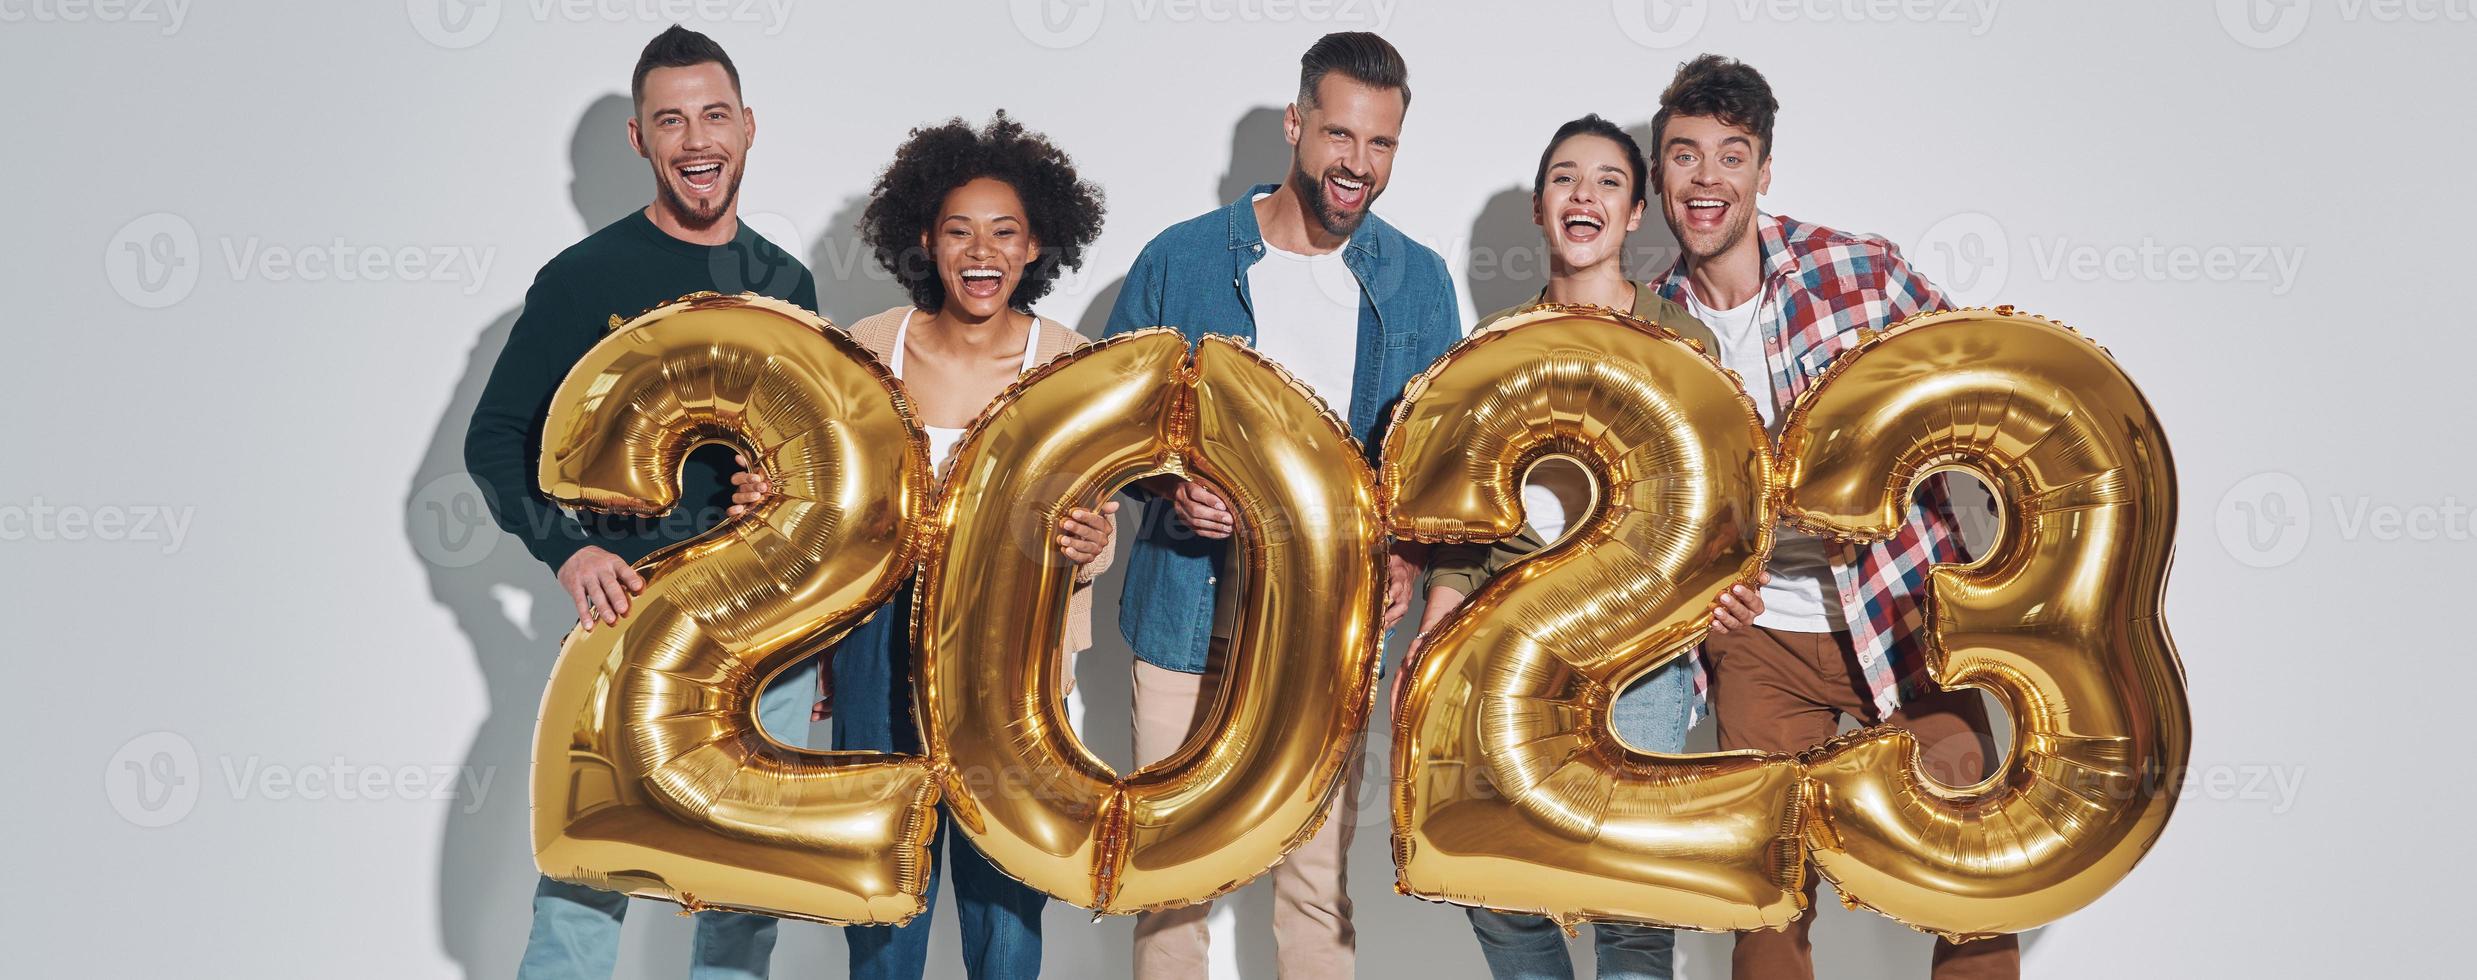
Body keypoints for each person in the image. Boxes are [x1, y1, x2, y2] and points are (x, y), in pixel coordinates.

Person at [1643, 55, 2017, 980]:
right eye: (1684, 156)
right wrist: (1696, 597)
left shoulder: (1861, 271)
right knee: (1764, 890)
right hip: (1758, 637)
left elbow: (1979, 406)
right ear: (1659, 173)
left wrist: (1879, 485)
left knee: (1971, 864)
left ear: (1762, 171)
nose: (1705, 180)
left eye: (1730, 157)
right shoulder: (1648, 326)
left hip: (1904, 612)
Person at [1100, 31, 1462, 980]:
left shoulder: (1417, 280)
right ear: (1297, 126)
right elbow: (1098, 424)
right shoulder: (1181, 260)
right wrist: (1173, 488)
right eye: (1341, 137)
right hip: (1188, 614)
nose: (1358, 165)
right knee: (1169, 877)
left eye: (1380, 145)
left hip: (1324, 629)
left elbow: (1435, 463)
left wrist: (1412, 558)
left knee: (1312, 884)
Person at [463, 25, 822, 980]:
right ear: (639, 140)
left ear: (748, 127)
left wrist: (774, 487)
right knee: (591, 871)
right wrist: (567, 551)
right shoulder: (583, 280)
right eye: (671, 120)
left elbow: (814, 462)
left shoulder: (788, 285)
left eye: (713, 115)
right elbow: (493, 441)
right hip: (627, 625)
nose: (696, 139)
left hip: (761, 634)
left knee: (749, 885)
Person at [729, 112, 1116, 980]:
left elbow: (1093, 526)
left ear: (1035, 246)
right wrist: (769, 500)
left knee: (1006, 894)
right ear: (925, 241)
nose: (981, 252)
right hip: (876, 644)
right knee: (885, 882)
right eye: (958, 231)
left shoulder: (1069, 362)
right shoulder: (867, 347)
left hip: (1013, 650)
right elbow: (820, 496)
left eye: (1003, 233)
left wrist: (1091, 541)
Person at [1410, 113, 1769, 980]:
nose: (1584, 195)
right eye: (1565, 179)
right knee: (1487, 877)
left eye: (1607, 181)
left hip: (1637, 659)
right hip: (1501, 649)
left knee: (1630, 901)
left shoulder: (1684, 344)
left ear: (1635, 213)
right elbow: (1461, 527)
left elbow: (1725, 506)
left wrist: (1731, 584)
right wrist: (1434, 628)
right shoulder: (1492, 346)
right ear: (1539, 208)